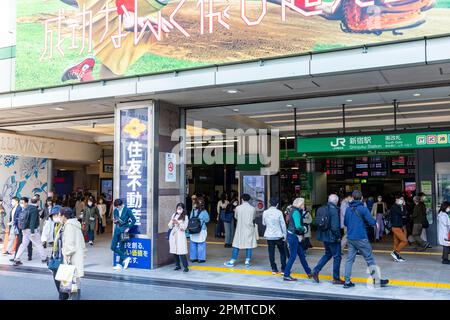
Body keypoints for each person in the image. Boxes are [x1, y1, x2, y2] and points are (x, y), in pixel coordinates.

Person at [343, 190, 389, 288]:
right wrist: (374, 222)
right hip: (361, 237)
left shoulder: (348, 209)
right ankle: (376, 280)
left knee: (349, 260)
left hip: (350, 238)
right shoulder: (363, 209)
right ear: (362, 198)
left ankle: (347, 282)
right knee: (369, 259)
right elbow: (371, 222)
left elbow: (346, 223)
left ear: (352, 197)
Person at [311, 194, 344, 284]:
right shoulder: (334, 210)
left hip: (324, 237)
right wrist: (338, 237)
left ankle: (316, 270)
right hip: (332, 238)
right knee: (337, 257)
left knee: (328, 254)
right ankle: (336, 278)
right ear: (336, 201)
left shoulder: (322, 208)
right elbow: (335, 227)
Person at [283, 197, 313, 281]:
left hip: (293, 236)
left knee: (302, 255)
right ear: (300, 204)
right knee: (292, 256)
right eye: (303, 204)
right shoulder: (296, 212)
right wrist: (305, 228)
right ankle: (286, 275)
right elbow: (298, 226)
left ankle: (309, 272)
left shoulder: (292, 210)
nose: (304, 205)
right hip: (293, 236)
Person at [224, 194, 258, 267]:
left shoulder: (238, 208)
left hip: (240, 228)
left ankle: (232, 261)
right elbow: (253, 218)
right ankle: (247, 261)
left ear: (242, 199)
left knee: (236, 244)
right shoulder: (252, 208)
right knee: (248, 245)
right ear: (249, 200)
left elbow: (236, 217)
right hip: (249, 228)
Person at [13, 197, 48, 266]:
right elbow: (32, 221)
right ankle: (44, 258)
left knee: (23, 244)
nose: (21, 204)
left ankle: (17, 258)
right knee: (38, 244)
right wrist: (32, 232)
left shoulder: (26, 208)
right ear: (38, 202)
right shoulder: (34, 209)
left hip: (24, 229)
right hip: (31, 230)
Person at [60, 207, 85, 300]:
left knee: (72, 279)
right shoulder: (75, 224)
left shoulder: (69, 226)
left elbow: (70, 244)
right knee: (76, 279)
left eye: (60, 215)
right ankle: (75, 297)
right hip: (77, 255)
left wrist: (67, 255)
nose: (59, 216)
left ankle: (74, 298)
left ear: (64, 216)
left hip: (72, 257)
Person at [48, 205, 69, 300]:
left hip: (64, 257)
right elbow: (55, 243)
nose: (55, 217)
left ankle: (64, 297)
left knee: (63, 280)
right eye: (53, 216)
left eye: (57, 215)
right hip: (56, 256)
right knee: (56, 278)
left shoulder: (66, 226)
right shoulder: (56, 226)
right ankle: (63, 296)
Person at [262, 197, 287, 275]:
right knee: (282, 252)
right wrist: (285, 235)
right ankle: (283, 269)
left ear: (269, 203)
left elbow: (264, 223)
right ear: (277, 204)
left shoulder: (265, 212)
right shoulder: (279, 212)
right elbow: (283, 224)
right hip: (278, 235)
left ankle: (274, 269)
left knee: (271, 252)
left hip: (269, 235)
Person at [111, 199, 136, 270]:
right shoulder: (115, 211)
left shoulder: (127, 210)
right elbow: (116, 220)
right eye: (116, 207)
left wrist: (128, 228)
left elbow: (134, 220)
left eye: (118, 206)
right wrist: (115, 221)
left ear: (121, 205)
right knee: (113, 247)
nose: (117, 208)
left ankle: (119, 264)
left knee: (122, 247)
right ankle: (125, 258)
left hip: (124, 230)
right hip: (117, 230)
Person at [168, 203, 189, 272]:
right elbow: (169, 226)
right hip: (173, 234)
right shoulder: (174, 215)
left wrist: (178, 223)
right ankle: (177, 265)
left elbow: (184, 227)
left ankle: (186, 267)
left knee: (181, 251)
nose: (178, 210)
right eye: (178, 208)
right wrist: (172, 223)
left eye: (180, 208)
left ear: (183, 209)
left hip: (180, 235)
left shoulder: (185, 217)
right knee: (174, 251)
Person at [189, 197, 210, 263]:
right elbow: (207, 220)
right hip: (201, 229)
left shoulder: (193, 210)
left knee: (193, 243)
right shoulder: (204, 211)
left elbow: (190, 218)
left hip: (192, 229)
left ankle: (193, 258)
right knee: (201, 243)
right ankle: (201, 259)